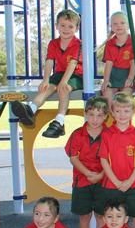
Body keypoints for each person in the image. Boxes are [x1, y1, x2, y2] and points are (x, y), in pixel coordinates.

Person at [11, 9, 83, 138]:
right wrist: (45, 80)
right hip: (60, 73)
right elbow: (49, 61)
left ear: (76, 29)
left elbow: (73, 64)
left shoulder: (78, 44)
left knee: (64, 89)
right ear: (56, 26)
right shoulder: (53, 43)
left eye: (70, 26)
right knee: (47, 87)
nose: (66, 29)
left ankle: (59, 121)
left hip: (76, 75)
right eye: (62, 25)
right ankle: (31, 110)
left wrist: (63, 82)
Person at [98, 92, 135, 228]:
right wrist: (117, 181)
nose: (122, 115)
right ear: (112, 112)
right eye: (118, 111)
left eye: (126, 111)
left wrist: (129, 181)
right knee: (112, 217)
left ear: (133, 112)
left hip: (133, 184)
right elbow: (104, 160)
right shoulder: (106, 134)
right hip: (112, 185)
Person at [65, 96, 108, 228]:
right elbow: (73, 157)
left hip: (103, 181)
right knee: (84, 216)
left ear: (105, 116)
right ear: (85, 114)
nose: (95, 119)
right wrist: (88, 173)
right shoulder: (77, 134)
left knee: (101, 216)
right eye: (91, 115)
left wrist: (100, 175)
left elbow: (111, 159)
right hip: (82, 180)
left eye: (99, 115)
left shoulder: (109, 134)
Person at [100, 12, 135, 108]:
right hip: (114, 75)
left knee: (124, 97)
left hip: (127, 75)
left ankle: (124, 120)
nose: (119, 25)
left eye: (122, 23)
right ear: (111, 27)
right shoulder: (110, 43)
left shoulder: (133, 42)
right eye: (115, 24)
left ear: (128, 26)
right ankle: (115, 119)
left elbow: (134, 63)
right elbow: (109, 63)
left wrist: (130, 78)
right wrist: (106, 80)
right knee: (107, 94)